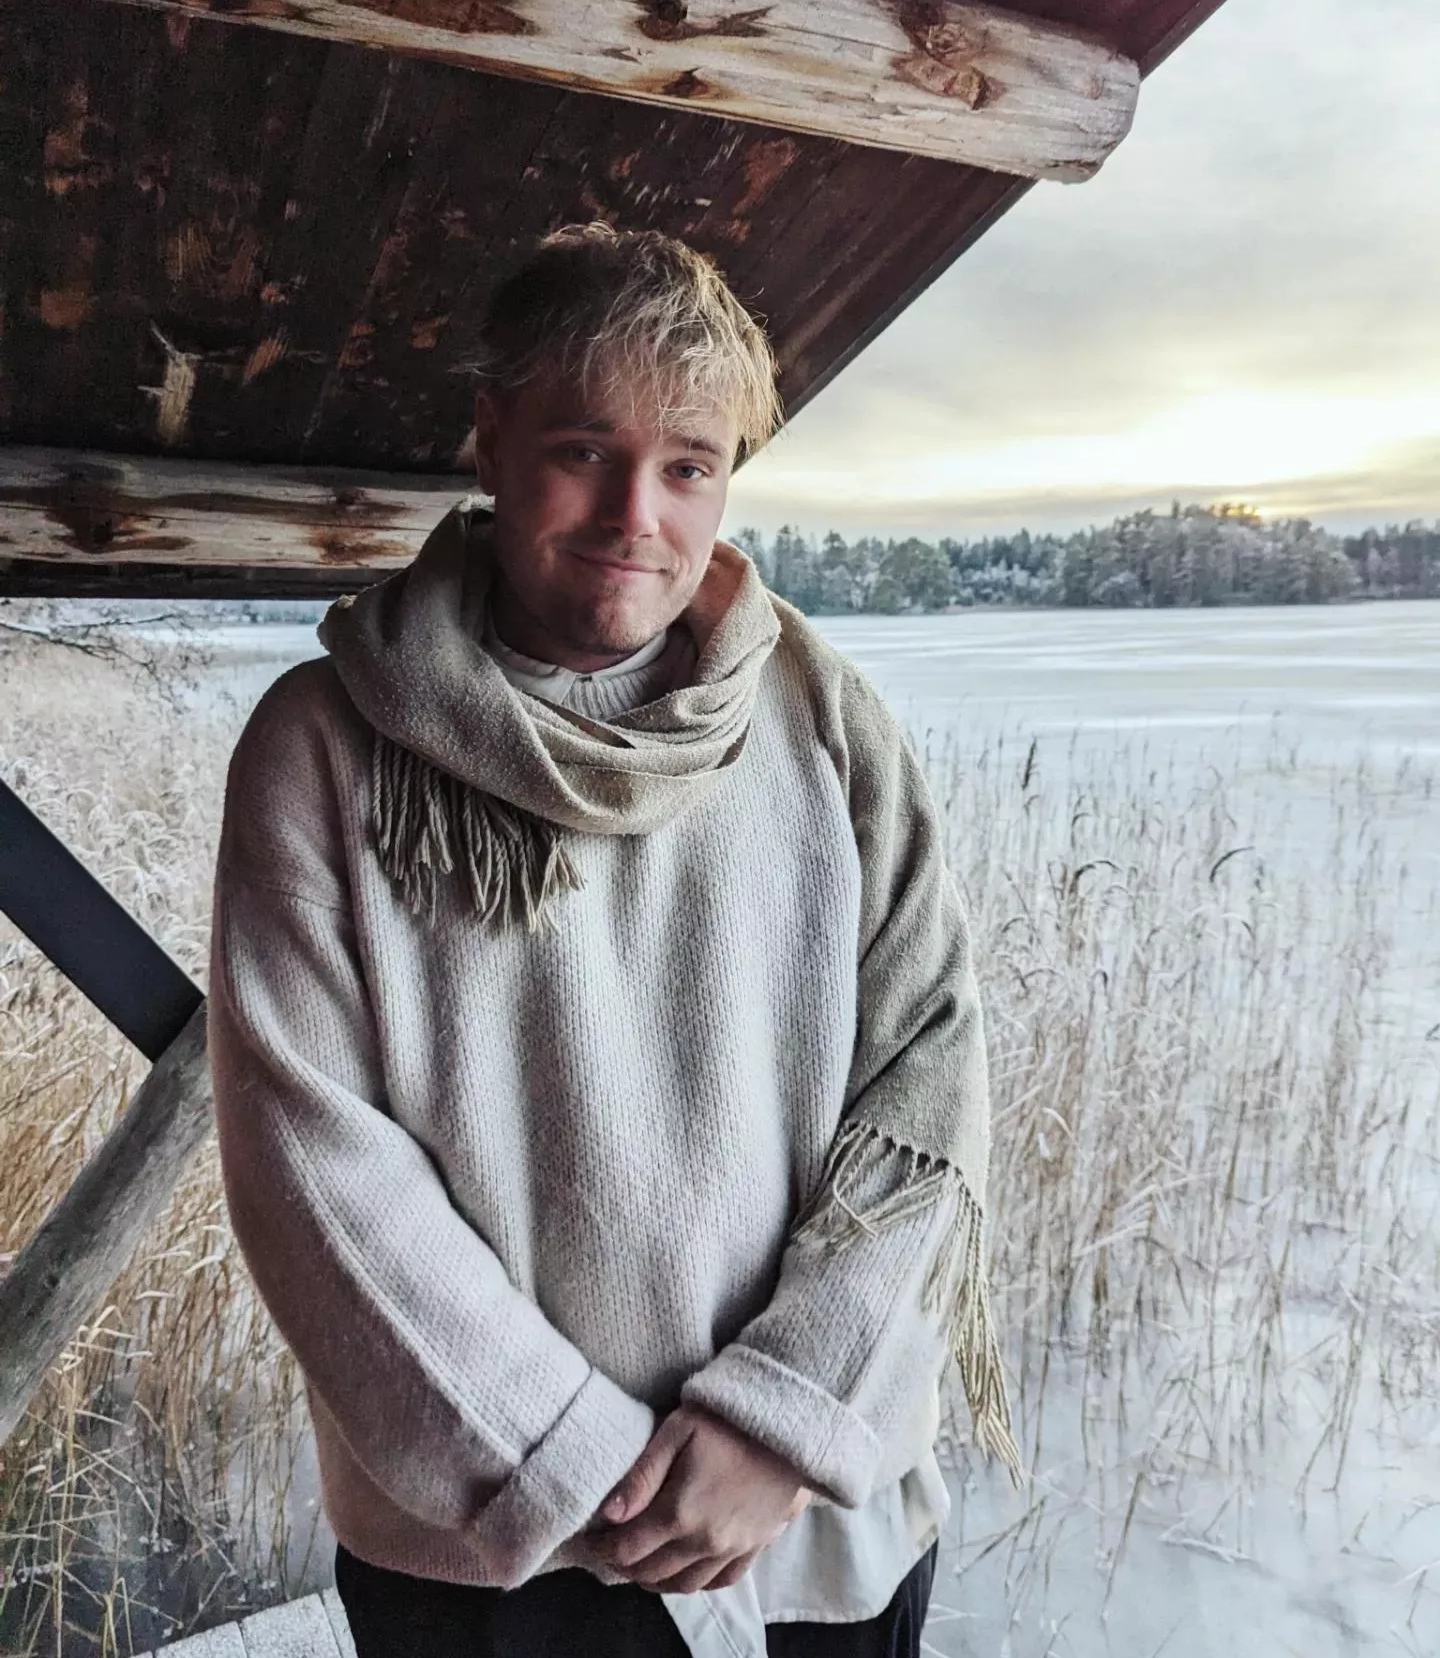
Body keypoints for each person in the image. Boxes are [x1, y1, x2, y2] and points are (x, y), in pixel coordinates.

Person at [206, 222, 1018, 1658]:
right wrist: (571, 1463)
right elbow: (309, 1157)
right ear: (492, 438)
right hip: (491, 1560)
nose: (636, 511)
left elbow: (930, 1079)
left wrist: (783, 1416)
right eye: (585, 448)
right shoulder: (326, 748)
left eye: (689, 464)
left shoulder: (826, 725)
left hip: (810, 1519)